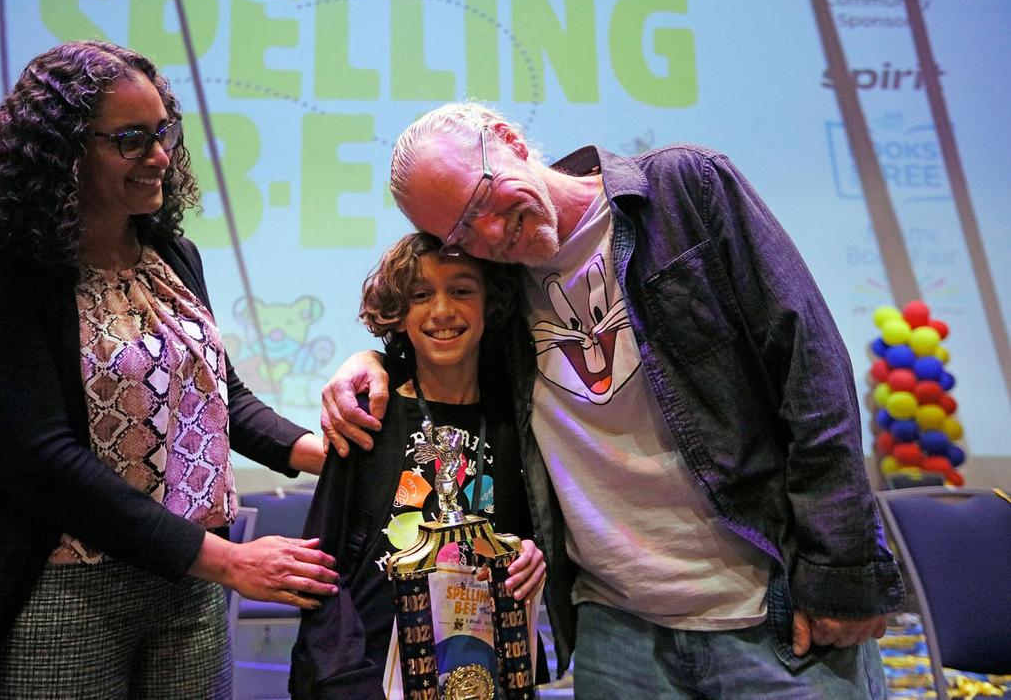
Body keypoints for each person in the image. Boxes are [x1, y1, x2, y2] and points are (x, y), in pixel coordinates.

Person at [321, 102, 906, 698]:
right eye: (462, 233)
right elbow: (443, 346)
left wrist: (844, 574)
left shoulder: (683, 191)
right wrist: (371, 360)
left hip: (772, 615)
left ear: (508, 140)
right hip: (614, 634)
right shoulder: (504, 285)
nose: (490, 235)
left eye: (482, 201)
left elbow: (812, 373)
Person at [0, 40, 337, 699]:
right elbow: (42, 460)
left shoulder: (171, 253)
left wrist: (332, 455)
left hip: (191, 585)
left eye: (163, 133)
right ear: (61, 152)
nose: (160, 155)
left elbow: (220, 399)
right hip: (60, 591)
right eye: (130, 139)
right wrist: (229, 561)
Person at [290, 232, 546, 698]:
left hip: (484, 674)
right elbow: (320, 563)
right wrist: (343, 678)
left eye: (462, 290)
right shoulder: (368, 415)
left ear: (491, 304)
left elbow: (526, 539)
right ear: (398, 314)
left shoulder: (517, 424)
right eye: (420, 295)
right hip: (365, 677)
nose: (442, 311)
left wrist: (532, 554)